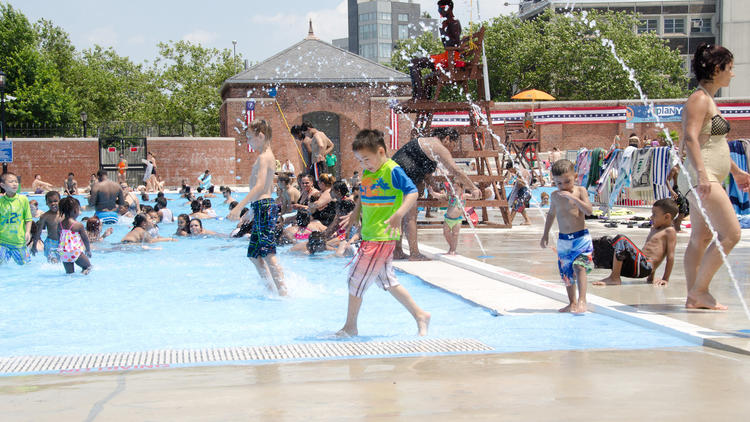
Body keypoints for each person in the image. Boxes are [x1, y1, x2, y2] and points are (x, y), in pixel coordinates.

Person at [337, 129, 431, 337]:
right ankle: (420, 315)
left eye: (367, 159)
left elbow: (412, 192)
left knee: (355, 279)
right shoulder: (370, 172)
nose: (364, 164)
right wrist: (355, 212)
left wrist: (399, 213)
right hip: (372, 234)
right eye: (360, 161)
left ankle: (350, 327)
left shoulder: (392, 169)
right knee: (388, 281)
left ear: (381, 151)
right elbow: (364, 194)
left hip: (382, 236)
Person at [678, 43, 750, 310]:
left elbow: (714, 142)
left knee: (701, 237)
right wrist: (703, 176)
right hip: (702, 177)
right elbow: (690, 138)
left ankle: (693, 295)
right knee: (731, 234)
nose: (733, 74)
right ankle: (700, 291)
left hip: (703, 176)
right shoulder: (699, 99)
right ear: (717, 69)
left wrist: (737, 170)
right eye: (729, 69)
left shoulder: (707, 99)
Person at [391, 127, 480, 260]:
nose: (452, 149)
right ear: (447, 138)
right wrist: (473, 188)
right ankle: (414, 253)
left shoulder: (426, 144)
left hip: (393, 175)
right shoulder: (438, 146)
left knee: (401, 215)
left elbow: (425, 172)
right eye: (453, 145)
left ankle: (397, 251)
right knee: (410, 217)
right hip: (403, 177)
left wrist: (434, 186)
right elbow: (455, 170)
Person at [228, 119, 287, 296]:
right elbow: (267, 188)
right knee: (254, 255)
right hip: (260, 207)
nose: (248, 142)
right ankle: (271, 290)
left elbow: (260, 186)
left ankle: (284, 294)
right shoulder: (267, 156)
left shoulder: (264, 157)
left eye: (249, 137)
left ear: (260, 136)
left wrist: (239, 206)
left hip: (264, 207)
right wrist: (252, 210)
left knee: (269, 254)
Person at [540, 159, 594, 313]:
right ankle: (572, 303)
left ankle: (582, 300)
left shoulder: (580, 191)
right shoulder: (555, 196)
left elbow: (589, 211)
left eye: (567, 181)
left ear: (575, 176)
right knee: (566, 272)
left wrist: (574, 199)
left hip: (581, 238)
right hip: (564, 240)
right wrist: (545, 235)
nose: (563, 186)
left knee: (579, 266)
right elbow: (551, 215)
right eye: (559, 183)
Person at [594, 199, 678, 287]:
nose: (651, 217)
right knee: (604, 243)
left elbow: (670, 257)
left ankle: (615, 278)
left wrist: (665, 279)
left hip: (645, 267)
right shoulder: (654, 229)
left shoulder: (669, 231)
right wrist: (651, 278)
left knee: (621, 239)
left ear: (667, 217)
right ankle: (612, 273)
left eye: (654, 215)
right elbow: (652, 252)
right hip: (639, 266)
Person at [409, 0, 462, 99]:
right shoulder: (448, 22)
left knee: (414, 63)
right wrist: (443, 31)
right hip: (447, 57)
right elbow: (447, 44)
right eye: (438, 9)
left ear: (448, 8)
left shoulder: (454, 23)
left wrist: (442, 31)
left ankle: (419, 96)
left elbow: (454, 43)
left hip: (451, 58)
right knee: (414, 63)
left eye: (441, 8)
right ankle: (421, 95)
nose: (439, 11)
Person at [428, 183, 479, 255]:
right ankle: (452, 246)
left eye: (456, 189)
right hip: (448, 219)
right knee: (446, 233)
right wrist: (432, 193)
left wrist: (475, 192)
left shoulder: (463, 196)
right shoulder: (450, 196)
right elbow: (440, 196)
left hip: (457, 220)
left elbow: (474, 197)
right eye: (452, 189)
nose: (453, 191)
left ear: (462, 190)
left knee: (455, 234)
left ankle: (452, 250)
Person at [0, 173, 33, 265]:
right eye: (11, 182)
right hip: (2, 241)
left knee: (26, 265)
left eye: (16, 181)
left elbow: (28, 218)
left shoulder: (23, 199)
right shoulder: (1, 202)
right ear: (2, 185)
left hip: (19, 241)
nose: (15, 184)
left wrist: (27, 232)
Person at [291, 122, 334, 188]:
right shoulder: (322, 133)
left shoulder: (315, 136)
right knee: (324, 182)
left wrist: (319, 155)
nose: (306, 135)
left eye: (305, 133)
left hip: (316, 164)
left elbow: (320, 146)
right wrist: (322, 154)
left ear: (308, 129)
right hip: (321, 163)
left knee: (318, 184)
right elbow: (331, 145)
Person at [56, 196, 92, 274]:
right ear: (75, 210)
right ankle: (83, 278)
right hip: (75, 251)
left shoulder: (60, 224)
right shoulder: (78, 225)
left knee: (69, 273)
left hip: (63, 252)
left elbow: (59, 238)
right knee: (88, 267)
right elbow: (85, 239)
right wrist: (88, 250)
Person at [31, 191, 62, 262]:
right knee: (53, 261)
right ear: (46, 203)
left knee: (63, 262)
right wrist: (34, 245)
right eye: (50, 202)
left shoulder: (64, 214)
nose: (53, 203)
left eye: (55, 201)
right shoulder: (45, 216)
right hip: (50, 243)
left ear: (60, 201)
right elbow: (38, 232)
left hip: (62, 242)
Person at [667, 164, 689, 231]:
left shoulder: (686, 167)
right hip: (677, 189)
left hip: (685, 189)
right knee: (683, 207)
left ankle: (674, 222)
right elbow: (667, 180)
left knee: (688, 209)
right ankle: (677, 228)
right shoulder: (675, 168)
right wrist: (671, 191)